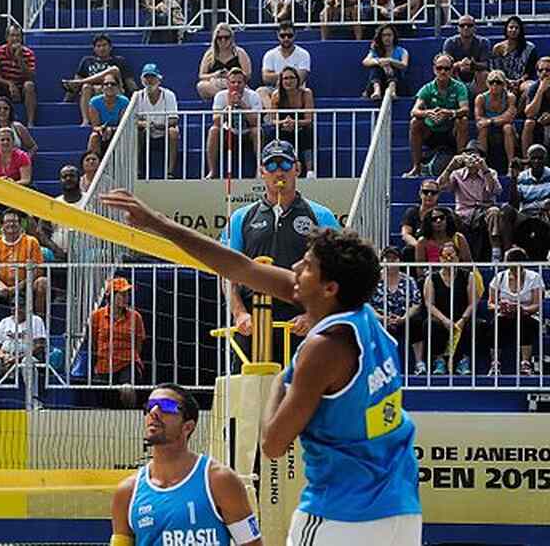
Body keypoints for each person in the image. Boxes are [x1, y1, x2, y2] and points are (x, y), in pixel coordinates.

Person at [100, 192, 421, 545]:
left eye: (307, 266)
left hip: (342, 514)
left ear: (329, 288)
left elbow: (271, 443)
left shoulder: (324, 348)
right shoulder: (366, 320)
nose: (296, 268)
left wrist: (282, 380)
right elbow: (241, 268)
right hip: (402, 510)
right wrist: (158, 224)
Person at [222, 139, 340, 361]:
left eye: (285, 165)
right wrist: (239, 313)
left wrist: (313, 315)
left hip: (300, 322)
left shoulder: (320, 216)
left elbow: (336, 272)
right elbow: (227, 274)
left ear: (297, 168)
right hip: (253, 321)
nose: (279, 172)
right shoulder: (241, 217)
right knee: (251, 391)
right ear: (261, 171)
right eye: (272, 166)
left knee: (302, 392)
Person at [111, 384, 261, 546]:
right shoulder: (127, 492)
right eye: (150, 406)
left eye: (166, 406)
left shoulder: (219, 481)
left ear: (187, 427)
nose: (154, 412)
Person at [0, 209, 48, 331]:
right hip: (0, 289)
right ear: (2, 225)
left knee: (43, 282)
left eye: (14, 221)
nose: (11, 224)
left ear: (20, 224)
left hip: (25, 286)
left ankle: (39, 326)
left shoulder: (31, 242)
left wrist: (19, 286)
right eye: (7, 222)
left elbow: (38, 270)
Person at [404, 53, 470, 177]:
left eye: (447, 68)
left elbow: (465, 109)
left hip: (451, 132)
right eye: (439, 68)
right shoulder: (427, 88)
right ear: (434, 69)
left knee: (463, 120)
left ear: (451, 70)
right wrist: (427, 113)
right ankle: (416, 167)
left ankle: (461, 165)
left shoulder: (459, 87)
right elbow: (414, 111)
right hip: (432, 132)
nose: (443, 71)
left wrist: (450, 113)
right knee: (415, 122)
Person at [435, 140, 502, 261]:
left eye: (474, 155)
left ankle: (496, 252)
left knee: (494, 212)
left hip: (484, 210)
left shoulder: (490, 172)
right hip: (463, 213)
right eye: (468, 154)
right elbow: (438, 187)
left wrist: (484, 169)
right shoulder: (457, 174)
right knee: (447, 217)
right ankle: (450, 252)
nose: (471, 158)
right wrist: (450, 167)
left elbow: (494, 190)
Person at [422, 240, 478, 375]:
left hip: (462, 315)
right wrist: (444, 320)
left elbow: (473, 302)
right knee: (430, 325)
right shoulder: (432, 278)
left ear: (458, 258)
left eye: (452, 256)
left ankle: (463, 361)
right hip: (441, 317)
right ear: (440, 259)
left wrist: (463, 319)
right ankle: (439, 360)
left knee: (475, 325)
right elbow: (429, 304)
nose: (449, 259)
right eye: (445, 256)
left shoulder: (468, 276)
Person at [487, 246, 544, 375]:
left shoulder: (534, 277)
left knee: (524, 323)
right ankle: (495, 363)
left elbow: (536, 304)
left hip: (528, 315)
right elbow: (490, 303)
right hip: (504, 315)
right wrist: (501, 307)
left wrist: (521, 309)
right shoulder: (500, 277)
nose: (513, 270)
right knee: (496, 324)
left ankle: (525, 364)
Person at [371, 246, 427, 374]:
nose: (391, 261)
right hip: (381, 318)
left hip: (403, 318)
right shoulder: (373, 280)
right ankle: (376, 366)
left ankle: (419, 363)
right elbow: (367, 304)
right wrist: (382, 318)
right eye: (387, 258)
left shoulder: (409, 280)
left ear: (400, 261)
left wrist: (404, 318)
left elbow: (416, 303)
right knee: (370, 324)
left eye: (394, 258)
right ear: (382, 261)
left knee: (417, 322)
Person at [64, 33, 138, 127]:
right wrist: (66, 101)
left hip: (115, 91)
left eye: (104, 45)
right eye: (98, 46)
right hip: (94, 94)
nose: (102, 48)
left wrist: (138, 97)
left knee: (113, 70)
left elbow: (130, 83)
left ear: (110, 47)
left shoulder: (119, 60)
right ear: (94, 49)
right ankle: (86, 121)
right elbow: (74, 85)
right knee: (86, 87)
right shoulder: (87, 61)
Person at [90, 277, 146, 393]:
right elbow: (94, 341)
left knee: (127, 390)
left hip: (127, 362)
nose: (126, 298)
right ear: (111, 296)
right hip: (104, 365)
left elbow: (139, 344)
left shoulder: (135, 317)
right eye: (122, 294)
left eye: (127, 294)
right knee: (101, 396)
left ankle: (130, 410)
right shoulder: (97, 316)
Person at [495, 143, 550, 260]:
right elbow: (514, 204)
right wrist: (514, 179)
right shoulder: (521, 177)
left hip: (545, 213)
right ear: (528, 160)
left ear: (545, 159)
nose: (537, 161)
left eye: (540, 158)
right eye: (533, 158)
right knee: (506, 210)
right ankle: (508, 253)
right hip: (525, 214)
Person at [207, 68, 263, 179]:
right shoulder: (220, 96)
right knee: (213, 130)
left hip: (248, 132)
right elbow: (216, 121)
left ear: (245, 84)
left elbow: (256, 121)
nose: (236, 85)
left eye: (239, 82)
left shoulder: (253, 96)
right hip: (229, 132)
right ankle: (212, 171)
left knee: (257, 131)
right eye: (233, 82)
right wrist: (230, 107)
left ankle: (259, 170)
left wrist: (242, 104)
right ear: (227, 83)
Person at [132, 63, 180, 178]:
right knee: (138, 132)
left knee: (174, 132)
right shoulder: (137, 96)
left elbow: (173, 120)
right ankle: (137, 170)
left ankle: (170, 172)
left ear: (159, 79)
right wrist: (144, 124)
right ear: (142, 80)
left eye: (152, 77)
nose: (149, 80)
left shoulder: (169, 95)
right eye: (146, 77)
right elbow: (132, 120)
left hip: (164, 134)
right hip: (146, 134)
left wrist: (158, 126)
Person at [268, 67, 316, 176]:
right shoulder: (276, 95)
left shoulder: (306, 93)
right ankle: (274, 169)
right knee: (271, 134)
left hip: (301, 127)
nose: (288, 81)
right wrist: (284, 122)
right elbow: (273, 120)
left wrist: (294, 123)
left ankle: (310, 171)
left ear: (297, 80)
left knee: (309, 133)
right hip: (283, 127)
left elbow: (309, 119)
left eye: (291, 78)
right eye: (285, 78)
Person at [0, 25, 38, 126]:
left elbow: (31, 76)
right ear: (7, 38)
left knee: (29, 85)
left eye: (18, 36)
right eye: (12, 35)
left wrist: (20, 59)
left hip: (20, 87)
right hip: (4, 86)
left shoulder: (28, 53)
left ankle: (30, 122)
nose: (15, 39)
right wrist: (9, 84)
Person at [195, 23, 252, 101]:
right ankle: (228, 97)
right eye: (219, 38)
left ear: (231, 38)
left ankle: (232, 97)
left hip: (235, 84)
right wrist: (216, 74)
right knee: (201, 86)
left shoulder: (239, 53)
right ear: (215, 39)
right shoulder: (210, 54)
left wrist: (231, 75)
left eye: (226, 37)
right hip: (215, 84)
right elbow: (201, 75)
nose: (223, 40)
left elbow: (247, 74)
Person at [473, 69, 517, 170]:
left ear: (504, 84)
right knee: (483, 129)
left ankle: (511, 165)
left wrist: (490, 121)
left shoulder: (510, 97)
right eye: (491, 82)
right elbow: (479, 120)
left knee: (507, 127)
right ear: (487, 84)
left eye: (498, 82)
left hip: (503, 129)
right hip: (488, 130)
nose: (495, 85)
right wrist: (498, 120)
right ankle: (481, 166)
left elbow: (509, 117)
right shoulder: (481, 98)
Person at [491, 16, 539, 102]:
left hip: (522, 81)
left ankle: (519, 113)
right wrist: (507, 81)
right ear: (506, 29)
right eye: (511, 27)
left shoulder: (529, 48)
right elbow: (495, 69)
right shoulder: (497, 48)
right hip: (502, 80)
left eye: (516, 28)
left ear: (520, 30)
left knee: (530, 87)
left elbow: (530, 70)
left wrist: (519, 81)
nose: (513, 30)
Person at [443, 14, 491, 96]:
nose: (466, 28)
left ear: (475, 28)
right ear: (458, 28)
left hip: (476, 77)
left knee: (484, 74)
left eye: (469, 25)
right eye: (462, 25)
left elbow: (485, 64)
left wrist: (473, 65)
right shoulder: (450, 42)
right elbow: (445, 64)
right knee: (445, 74)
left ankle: (479, 104)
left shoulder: (483, 42)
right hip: (456, 75)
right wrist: (459, 64)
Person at [363, 24, 410, 100]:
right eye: (384, 35)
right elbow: (365, 62)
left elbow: (404, 64)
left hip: (398, 85)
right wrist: (380, 61)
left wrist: (389, 61)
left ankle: (392, 89)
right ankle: (376, 90)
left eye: (389, 35)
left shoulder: (402, 51)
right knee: (375, 68)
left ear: (394, 36)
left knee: (394, 67)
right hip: (380, 83)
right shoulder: (376, 50)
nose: (386, 38)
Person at [400, 178, 441, 261]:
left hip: (438, 248)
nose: (429, 195)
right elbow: (406, 234)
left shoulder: (443, 213)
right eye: (426, 192)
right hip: (416, 247)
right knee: (408, 251)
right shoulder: (412, 212)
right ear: (420, 193)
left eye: (433, 193)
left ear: (438, 195)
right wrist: (419, 247)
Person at [87, 77, 131, 155]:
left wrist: (111, 130)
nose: (109, 86)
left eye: (113, 84)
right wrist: (102, 129)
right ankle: (94, 163)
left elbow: (123, 125)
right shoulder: (94, 102)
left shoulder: (124, 101)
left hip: (119, 132)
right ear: (102, 88)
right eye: (106, 84)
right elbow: (95, 126)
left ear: (118, 87)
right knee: (94, 137)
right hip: (102, 133)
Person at [522, 57, 550, 153]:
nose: (544, 73)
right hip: (539, 124)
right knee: (528, 123)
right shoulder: (534, 87)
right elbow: (529, 113)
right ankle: (527, 161)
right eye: (540, 70)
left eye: (548, 70)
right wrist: (540, 91)